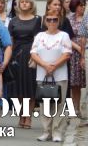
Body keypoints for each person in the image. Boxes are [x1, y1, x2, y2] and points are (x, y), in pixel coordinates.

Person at [31, 13, 73, 142]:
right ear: (45, 21)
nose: (52, 22)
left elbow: (67, 54)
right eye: (49, 19)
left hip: (59, 74)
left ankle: (57, 132)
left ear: (58, 21)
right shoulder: (40, 36)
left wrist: (53, 66)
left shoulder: (64, 35)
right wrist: (45, 65)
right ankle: (46, 131)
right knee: (44, 103)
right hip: (42, 74)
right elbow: (33, 53)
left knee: (59, 103)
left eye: (55, 19)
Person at [8, 0, 40, 130]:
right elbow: (10, 40)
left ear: (32, 5)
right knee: (19, 87)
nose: (25, 4)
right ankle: (22, 114)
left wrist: (35, 55)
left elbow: (39, 39)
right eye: (22, 2)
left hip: (32, 53)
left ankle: (29, 117)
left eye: (28, 2)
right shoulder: (13, 21)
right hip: (16, 54)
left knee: (30, 86)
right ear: (19, 4)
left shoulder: (38, 20)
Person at [67, 0, 87, 118]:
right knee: (73, 83)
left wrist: (83, 51)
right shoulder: (69, 19)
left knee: (80, 83)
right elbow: (66, 36)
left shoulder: (86, 19)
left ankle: (80, 108)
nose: (83, 7)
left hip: (84, 52)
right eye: (80, 5)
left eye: (84, 4)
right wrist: (77, 48)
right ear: (75, 6)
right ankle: (72, 108)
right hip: (73, 52)